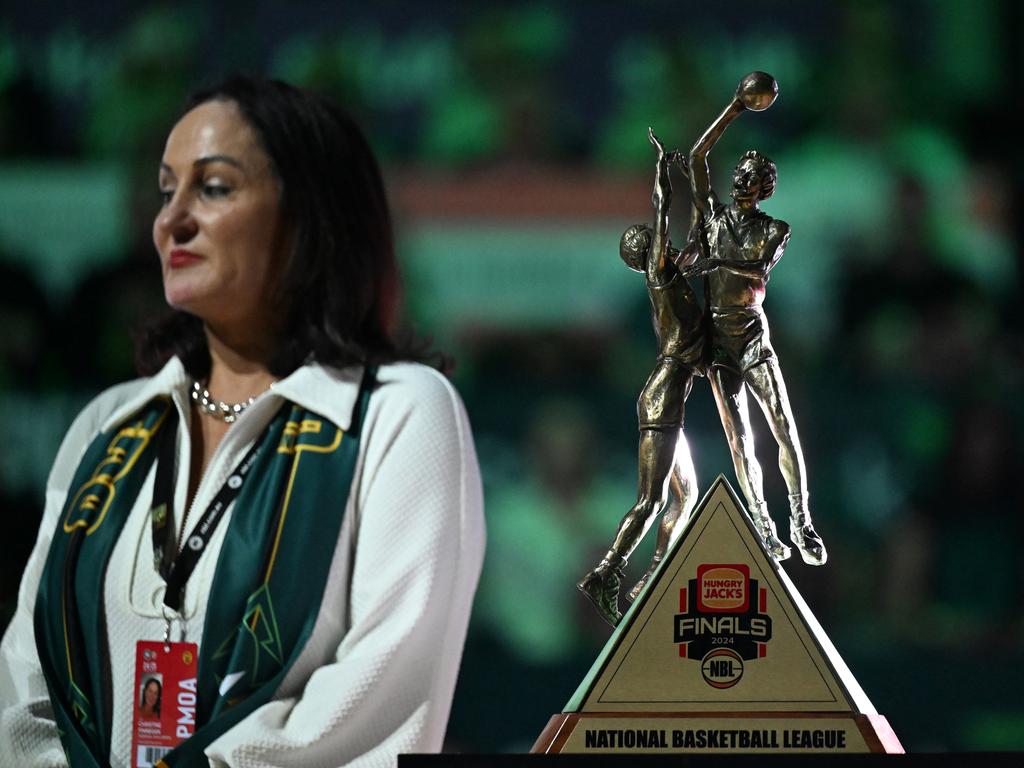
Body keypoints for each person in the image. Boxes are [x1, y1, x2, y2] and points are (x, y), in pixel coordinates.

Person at [0, 76, 485, 767]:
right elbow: (25, 684)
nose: (172, 219)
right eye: (167, 191)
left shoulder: (399, 413)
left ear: (309, 216)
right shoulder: (108, 424)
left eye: (215, 188)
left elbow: (376, 703)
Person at [685, 78, 826, 565]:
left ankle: (801, 518)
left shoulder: (775, 229)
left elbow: (756, 270)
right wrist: (734, 107)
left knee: (783, 427)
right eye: (739, 174)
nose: (741, 181)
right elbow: (697, 159)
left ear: (765, 187)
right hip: (717, 340)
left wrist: (714, 265)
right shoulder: (713, 220)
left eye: (751, 177)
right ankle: (763, 523)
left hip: (750, 335)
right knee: (739, 438)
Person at [577, 129, 705, 626]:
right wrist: (662, 169)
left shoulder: (677, 270)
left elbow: (697, 233)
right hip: (663, 393)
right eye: (657, 239)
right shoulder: (660, 273)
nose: (666, 241)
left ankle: (654, 579)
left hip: (673, 389)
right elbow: (661, 206)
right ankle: (607, 573)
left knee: (686, 495)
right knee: (651, 499)